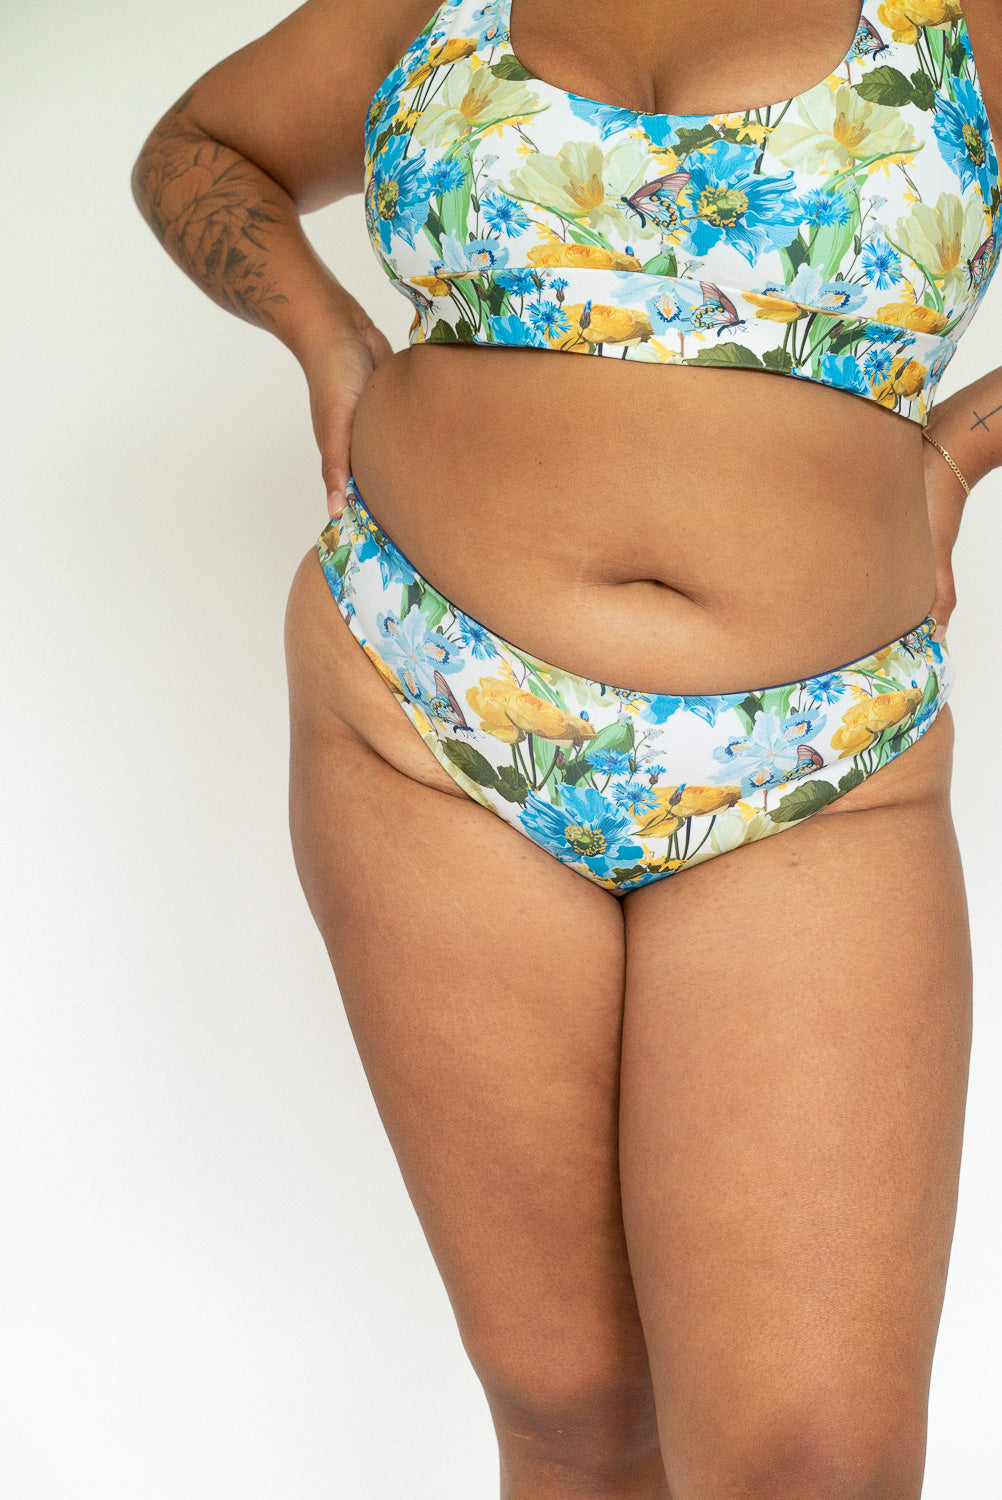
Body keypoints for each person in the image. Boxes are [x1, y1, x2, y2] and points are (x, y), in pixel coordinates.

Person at [131, 1, 1002, 1493]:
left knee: (821, 1462)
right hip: (426, 705)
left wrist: (963, 446)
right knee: (573, 1408)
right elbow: (196, 149)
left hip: (818, 757)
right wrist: (327, 339)